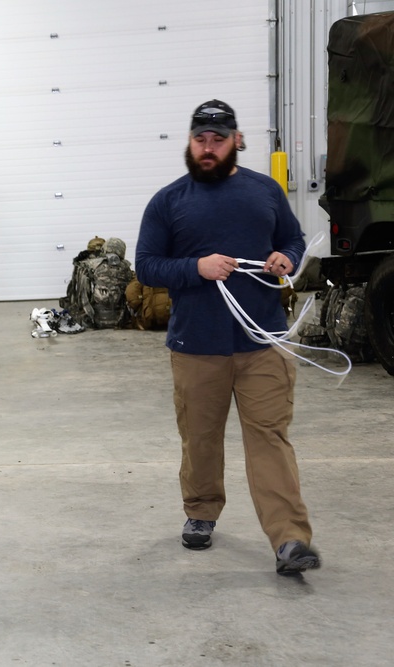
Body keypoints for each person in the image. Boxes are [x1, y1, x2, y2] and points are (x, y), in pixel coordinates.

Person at [135, 99, 321, 575]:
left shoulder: (265, 191)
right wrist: (196, 267)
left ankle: (290, 540)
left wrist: (286, 257)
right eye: (200, 140)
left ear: (237, 140)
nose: (208, 149)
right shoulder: (168, 201)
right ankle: (200, 510)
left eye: (218, 140)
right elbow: (147, 265)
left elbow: (294, 239)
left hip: (263, 342)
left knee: (269, 438)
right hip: (197, 345)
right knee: (200, 438)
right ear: (190, 141)